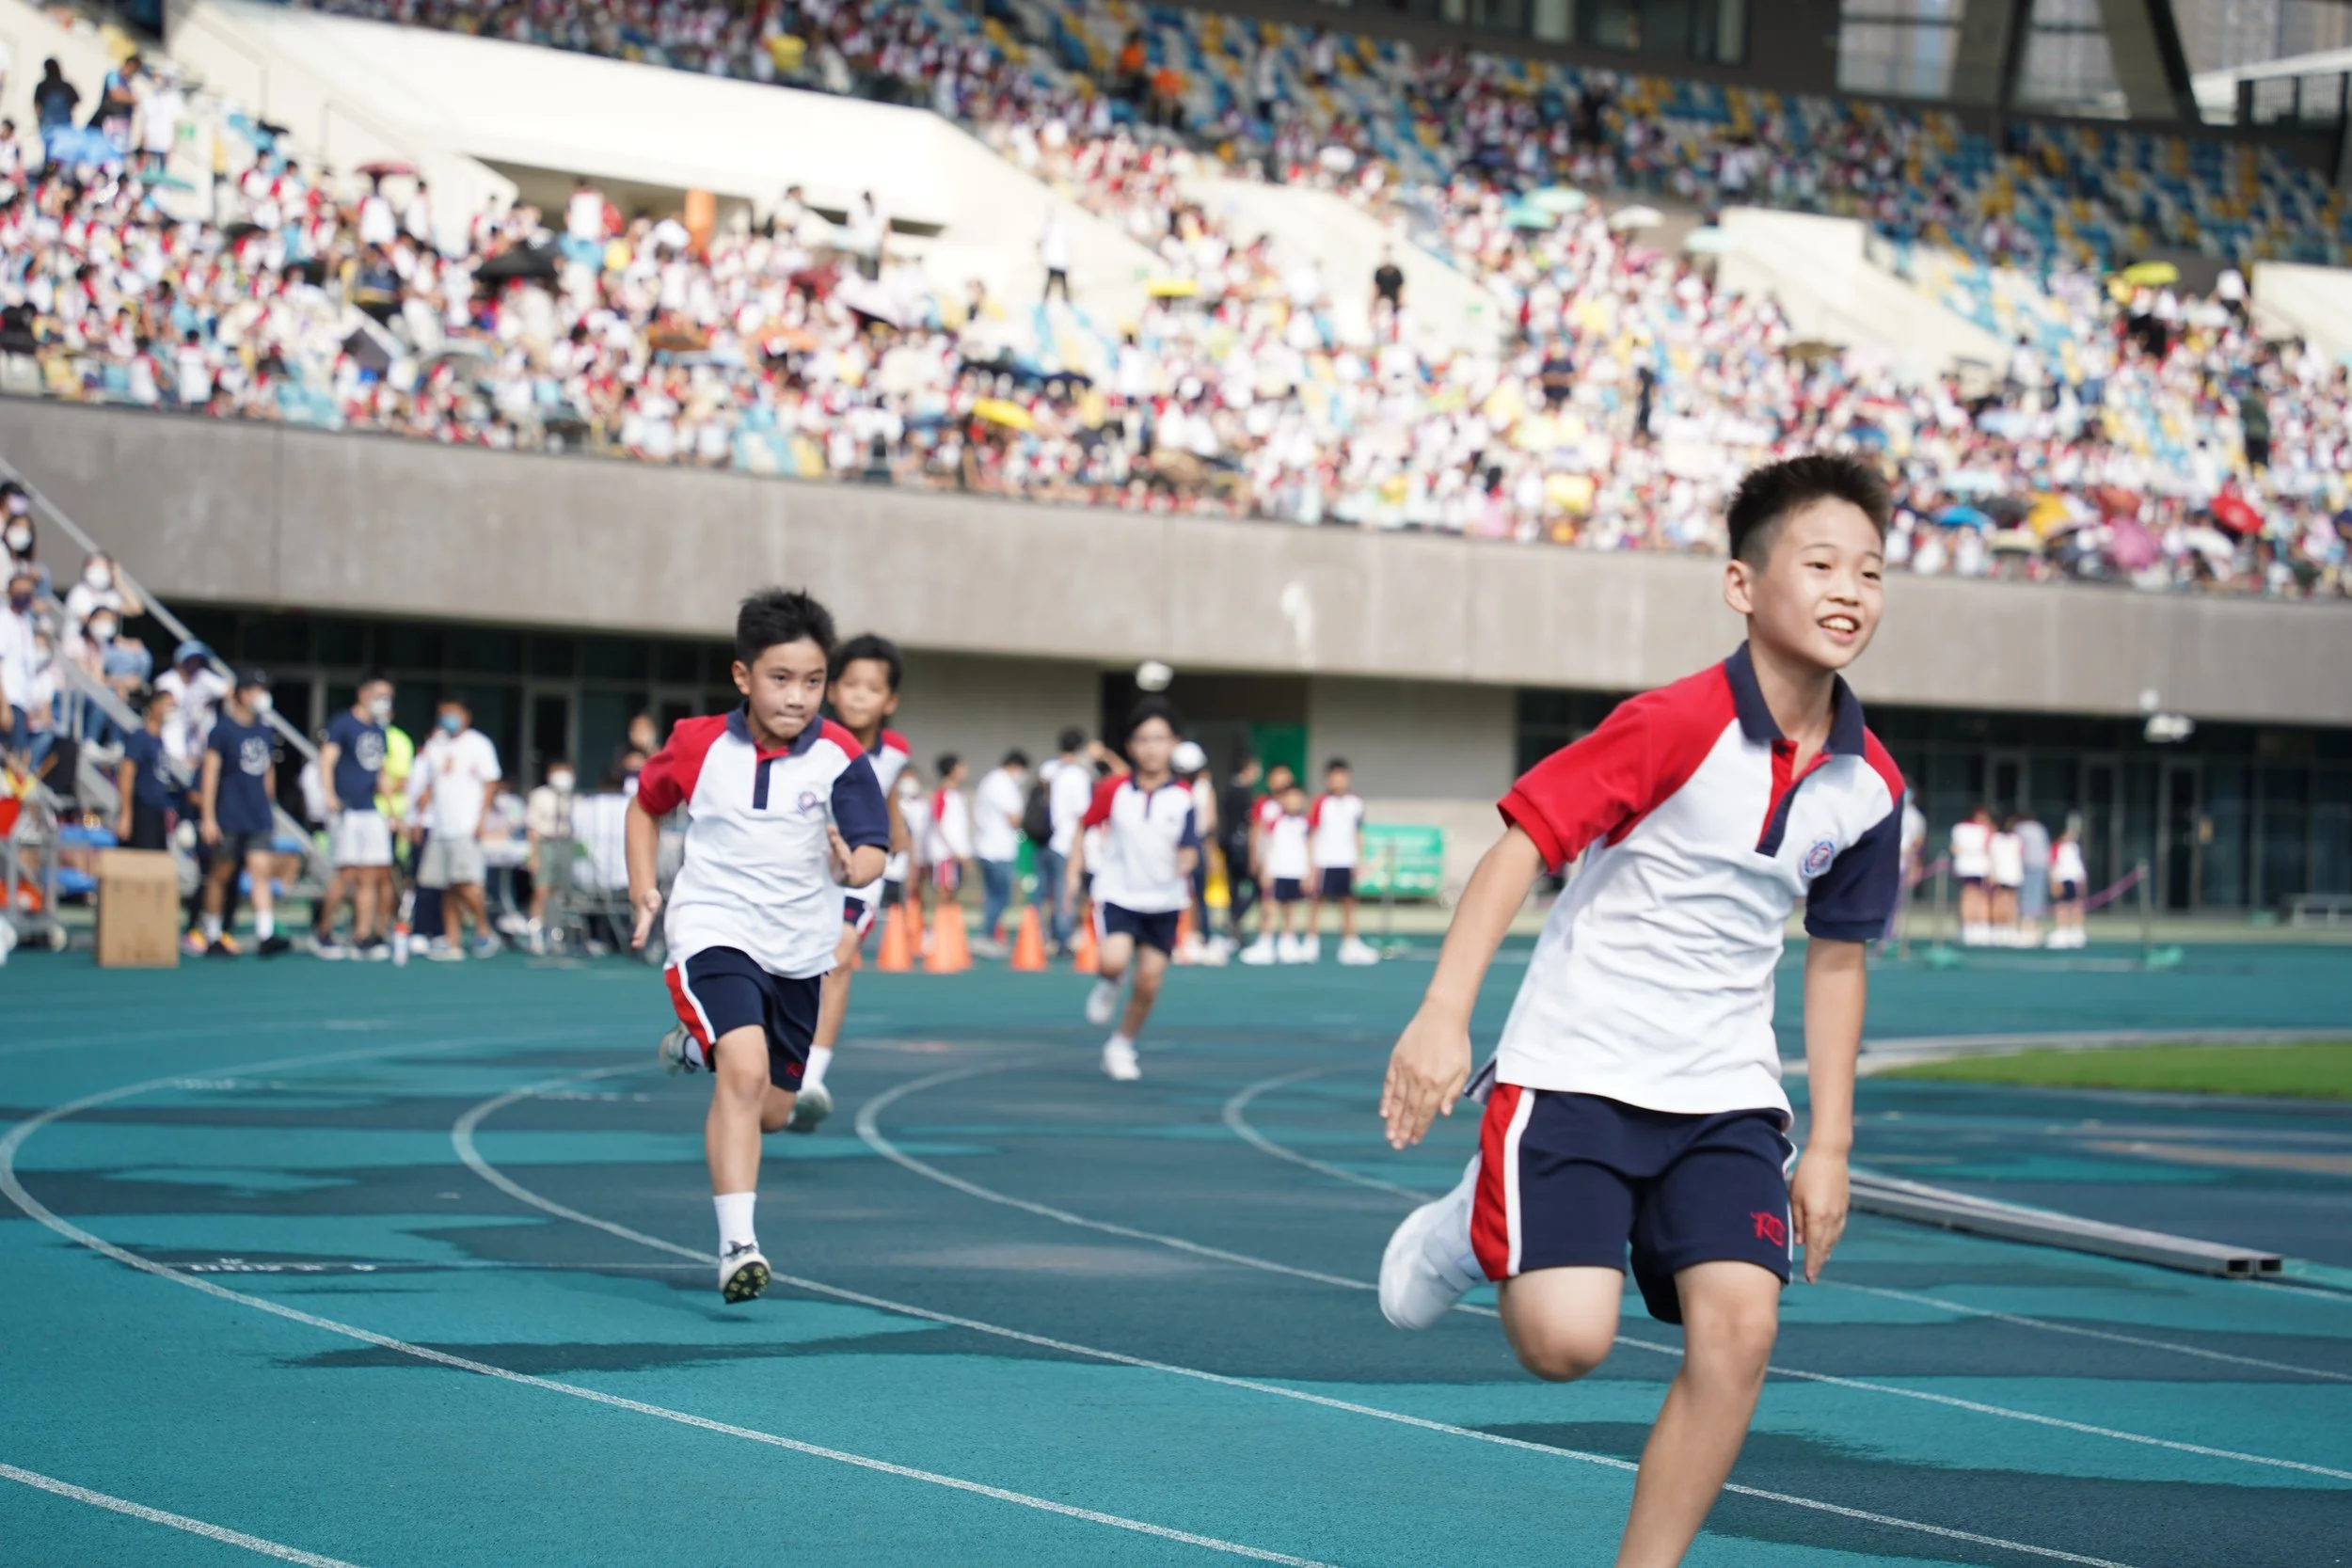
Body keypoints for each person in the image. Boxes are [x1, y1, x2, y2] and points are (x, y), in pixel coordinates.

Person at [1375, 453, 1902, 1568]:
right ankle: (1472, 1222)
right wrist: (1441, 1012)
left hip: (1722, 1092)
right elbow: (1519, 846)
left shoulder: (1869, 787)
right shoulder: (1671, 723)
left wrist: (1832, 1148)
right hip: (1575, 1068)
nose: (1848, 588)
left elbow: (1837, 959)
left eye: (1868, 569)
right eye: (1818, 563)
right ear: (1742, 585)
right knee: (1566, 1342)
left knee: (1742, 1330)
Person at [635, 588, 889, 1303]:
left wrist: (852, 866)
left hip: (799, 948)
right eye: (781, 678)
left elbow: (874, 848)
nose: (799, 696)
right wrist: (642, 888)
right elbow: (646, 804)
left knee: (775, 1106)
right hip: (715, 927)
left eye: (813, 681)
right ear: (744, 676)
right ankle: (737, 1246)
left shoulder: (839, 754)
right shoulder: (697, 742)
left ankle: (695, 1047)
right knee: (742, 1074)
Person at [797, 632, 913, 1133]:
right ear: (831, 690)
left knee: (839, 959)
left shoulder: (896, 752)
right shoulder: (807, 739)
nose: (861, 695)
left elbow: (883, 801)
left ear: (890, 700)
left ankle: (810, 1082)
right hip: (798, 872)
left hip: (858, 878)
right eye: (851, 684)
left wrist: (897, 836)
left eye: (873, 687)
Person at [1068, 698, 1200, 1082]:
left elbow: (1190, 845)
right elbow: (1085, 824)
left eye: (1159, 739)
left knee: (1149, 982)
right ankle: (1109, 983)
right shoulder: (1114, 790)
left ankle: (1122, 1044)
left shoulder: (1184, 797)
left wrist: (1187, 862)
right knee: (1112, 960)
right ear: (1130, 746)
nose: (1151, 748)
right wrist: (1075, 869)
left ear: (1174, 743)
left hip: (1164, 900)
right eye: (1143, 739)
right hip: (1119, 893)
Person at [199, 670, 290, 958]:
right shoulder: (222, 730)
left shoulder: (264, 729)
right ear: (242, 693)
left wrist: (269, 804)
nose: (262, 696)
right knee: (221, 873)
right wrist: (208, 816)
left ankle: (265, 933)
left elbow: (268, 771)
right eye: (256, 689)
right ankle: (212, 933)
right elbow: (210, 773)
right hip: (229, 812)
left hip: (258, 813)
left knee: (261, 870)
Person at [407, 696, 502, 960]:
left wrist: (481, 819)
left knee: (467, 883)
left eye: (454, 712)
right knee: (445, 885)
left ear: (466, 716)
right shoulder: (435, 745)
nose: (448, 718)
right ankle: (453, 942)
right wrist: (417, 817)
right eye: (444, 713)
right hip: (440, 826)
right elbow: (427, 784)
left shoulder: (479, 744)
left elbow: (491, 782)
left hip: (465, 825)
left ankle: (484, 929)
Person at [313, 673, 396, 959]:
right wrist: (329, 795)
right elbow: (327, 760)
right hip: (347, 809)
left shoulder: (380, 730)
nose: (384, 702)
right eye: (380, 695)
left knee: (371, 874)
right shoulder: (343, 723)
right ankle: (323, 931)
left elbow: (381, 772)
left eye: (388, 696)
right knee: (346, 872)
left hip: (370, 809)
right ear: (363, 694)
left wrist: (392, 810)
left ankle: (362, 935)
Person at [1309, 757, 1375, 966]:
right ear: (1327, 779)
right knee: (1317, 902)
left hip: (1346, 860)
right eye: (1333, 777)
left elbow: (1358, 833)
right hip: (1324, 860)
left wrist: (1360, 860)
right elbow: (1312, 832)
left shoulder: (1355, 802)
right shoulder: (1321, 802)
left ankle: (1350, 944)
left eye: (1342, 776)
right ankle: (1310, 944)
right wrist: (1310, 863)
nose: (1338, 781)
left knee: (1348, 902)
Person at [1037, 727, 1094, 955]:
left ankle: (1046, 934)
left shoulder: (1053, 771)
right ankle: (1062, 937)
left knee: (1047, 891)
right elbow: (1083, 812)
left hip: (1050, 838)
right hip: (1069, 841)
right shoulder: (1077, 775)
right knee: (1066, 891)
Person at [973, 749, 1030, 944]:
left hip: (987, 847)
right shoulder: (1003, 783)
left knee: (992, 895)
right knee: (1001, 896)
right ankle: (985, 935)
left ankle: (987, 934)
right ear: (1015, 766)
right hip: (998, 850)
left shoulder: (990, 780)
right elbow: (1014, 817)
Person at [114, 686, 180, 851]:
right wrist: (126, 815)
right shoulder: (140, 737)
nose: (171, 710)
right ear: (154, 706)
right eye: (167, 704)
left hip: (157, 810)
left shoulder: (159, 740)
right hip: (141, 810)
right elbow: (126, 774)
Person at [1258, 778, 1312, 962]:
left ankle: (1287, 942)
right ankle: (1265, 943)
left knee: (1290, 909)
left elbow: (1308, 848)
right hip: (1276, 870)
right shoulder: (1275, 820)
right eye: (1288, 797)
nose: (1292, 802)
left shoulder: (1304, 823)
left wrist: (1308, 873)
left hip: (1295, 871)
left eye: (1297, 798)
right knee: (1269, 908)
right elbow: (1267, 845)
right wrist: (1265, 870)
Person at [524, 758, 575, 950]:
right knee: (541, 890)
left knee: (557, 892)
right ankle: (535, 933)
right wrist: (534, 854)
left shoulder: (573, 797)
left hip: (565, 843)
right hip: (544, 843)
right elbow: (532, 827)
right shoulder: (539, 796)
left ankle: (555, 933)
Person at [1217, 754, 1263, 951]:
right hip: (1241, 846)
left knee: (1234, 888)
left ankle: (1235, 926)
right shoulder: (1244, 792)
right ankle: (1235, 918)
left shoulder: (1228, 790)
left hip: (1229, 844)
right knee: (1257, 885)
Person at [927, 753, 972, 902]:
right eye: (961, 766)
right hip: (945, 853)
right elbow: (939, 825)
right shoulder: (942, 794)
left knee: (953, 892)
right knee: (944, 891)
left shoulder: (957, 794)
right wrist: (954, 851)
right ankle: (941, 924)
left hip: (957, 853)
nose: (965, 770)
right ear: (952, 770)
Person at [1949, 804, 1994, 945]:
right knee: (1972, 896)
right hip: (1976, 867)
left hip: (1972, 867)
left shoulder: (1960, 828)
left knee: (1976, 897)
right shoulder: (1983, 829)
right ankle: (1971, 928)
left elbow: (1955, 848)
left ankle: (1976, 928)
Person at [2014, 809, 2051, 948]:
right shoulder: (2040, 828)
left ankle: (2027, 927)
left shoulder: (2020, 828)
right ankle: (2032, 926)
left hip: (2027, 864)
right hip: (2040, 865)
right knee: (2036, 896)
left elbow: (2017, 846)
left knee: (2026, 895)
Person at [1988, 815, 2025, 945]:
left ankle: (2009, 928)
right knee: (1999, 901)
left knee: (2010, 902)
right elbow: (1992, 857)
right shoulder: (1996, 839)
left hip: (2012, 875)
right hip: (2001, 875)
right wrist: (1992, 873)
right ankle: (1998, 928)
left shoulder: (2015, 839)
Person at [2049, 825, 2088, 948]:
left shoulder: (2074, 848)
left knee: (2076, 905)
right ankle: (2062, 930)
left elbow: (2078, 865)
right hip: (2062, 879)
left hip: (2074, 879)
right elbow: (2053, 865)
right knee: (2061, 906)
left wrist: (2082, 879)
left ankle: (2076, 931)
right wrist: (2054, 881)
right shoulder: (2057, 847)